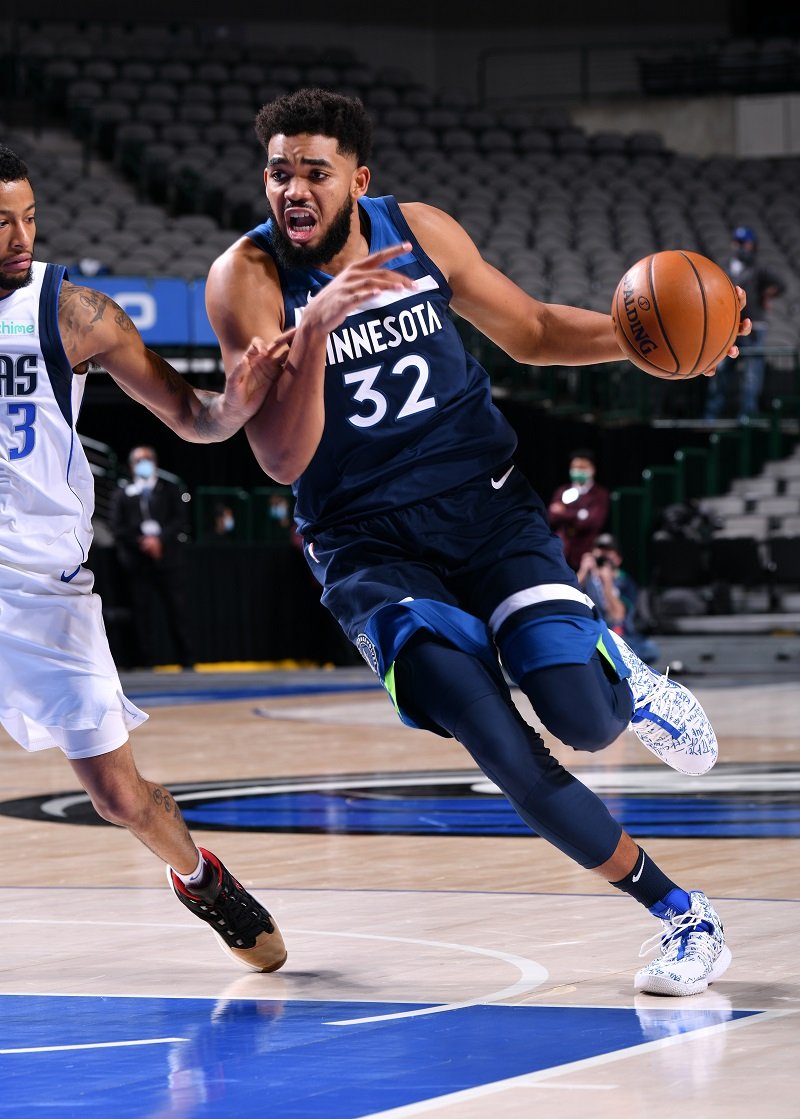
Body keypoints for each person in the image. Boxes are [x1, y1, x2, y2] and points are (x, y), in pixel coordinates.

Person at [204, 89, 748, 996]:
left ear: (358, 180)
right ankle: (683, 914)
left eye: (314, 172)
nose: (292, 189)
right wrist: (315, 331)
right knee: (498, 741)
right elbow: (281, 454)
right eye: (278, 171)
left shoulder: (417, 231)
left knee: (582, 714)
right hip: (367, 546)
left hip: (483, 506)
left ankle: (625, 673)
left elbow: (530, 330)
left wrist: (653, 340)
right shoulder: (247, 281)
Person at [0, 142, 290, 972]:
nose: (19, 237)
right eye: (0, 223)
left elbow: (194, 418)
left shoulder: (71, 311)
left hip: (46, 595)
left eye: (29, 218)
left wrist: (238, 402)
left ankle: (201, 877)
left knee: (119, 796)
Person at [110, 445, 195, 669]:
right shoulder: (123, 493)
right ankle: (146, 662)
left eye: (147, 459)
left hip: (168, 561)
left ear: (155, 462)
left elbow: (179, 520)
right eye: (138, 460)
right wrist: (143, 541)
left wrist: (160, 540)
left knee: (177, 611)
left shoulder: (169, 489)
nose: (143, 464)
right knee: (142, 614)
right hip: (138, 563)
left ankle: (187, 661)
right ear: (131, 466)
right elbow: (117, 527)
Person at [704, 225, 784, 422]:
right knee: (721, 370)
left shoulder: (759, 269)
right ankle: (712, 413)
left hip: (754, 326)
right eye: (739, 243)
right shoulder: (726, 267)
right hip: (730, 325)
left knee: (751, 374)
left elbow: (781, 285)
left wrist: (766, 294)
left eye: (746, 244)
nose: (742, 248)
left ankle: (747, 415)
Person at [577, 533, 660, 666]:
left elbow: (618, 616)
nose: (603, 555)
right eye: (600, 550)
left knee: (649, 649)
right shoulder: (587, 579)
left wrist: (607, 584)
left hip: (619, 634)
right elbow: (567, 596)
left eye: (608, 551)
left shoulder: (624, 581)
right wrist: (582, 571)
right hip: (592, 634)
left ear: (617, 559)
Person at [547, 448, 610, 570]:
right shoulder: (562, 491)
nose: (578, 471)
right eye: (575, 467)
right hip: (562, 553)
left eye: (582, 467)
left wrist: (564, 513)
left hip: (585, 555)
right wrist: (579, 514)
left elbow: (593, 522)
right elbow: (552, 517)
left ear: (592, 469)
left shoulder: (600, 494)